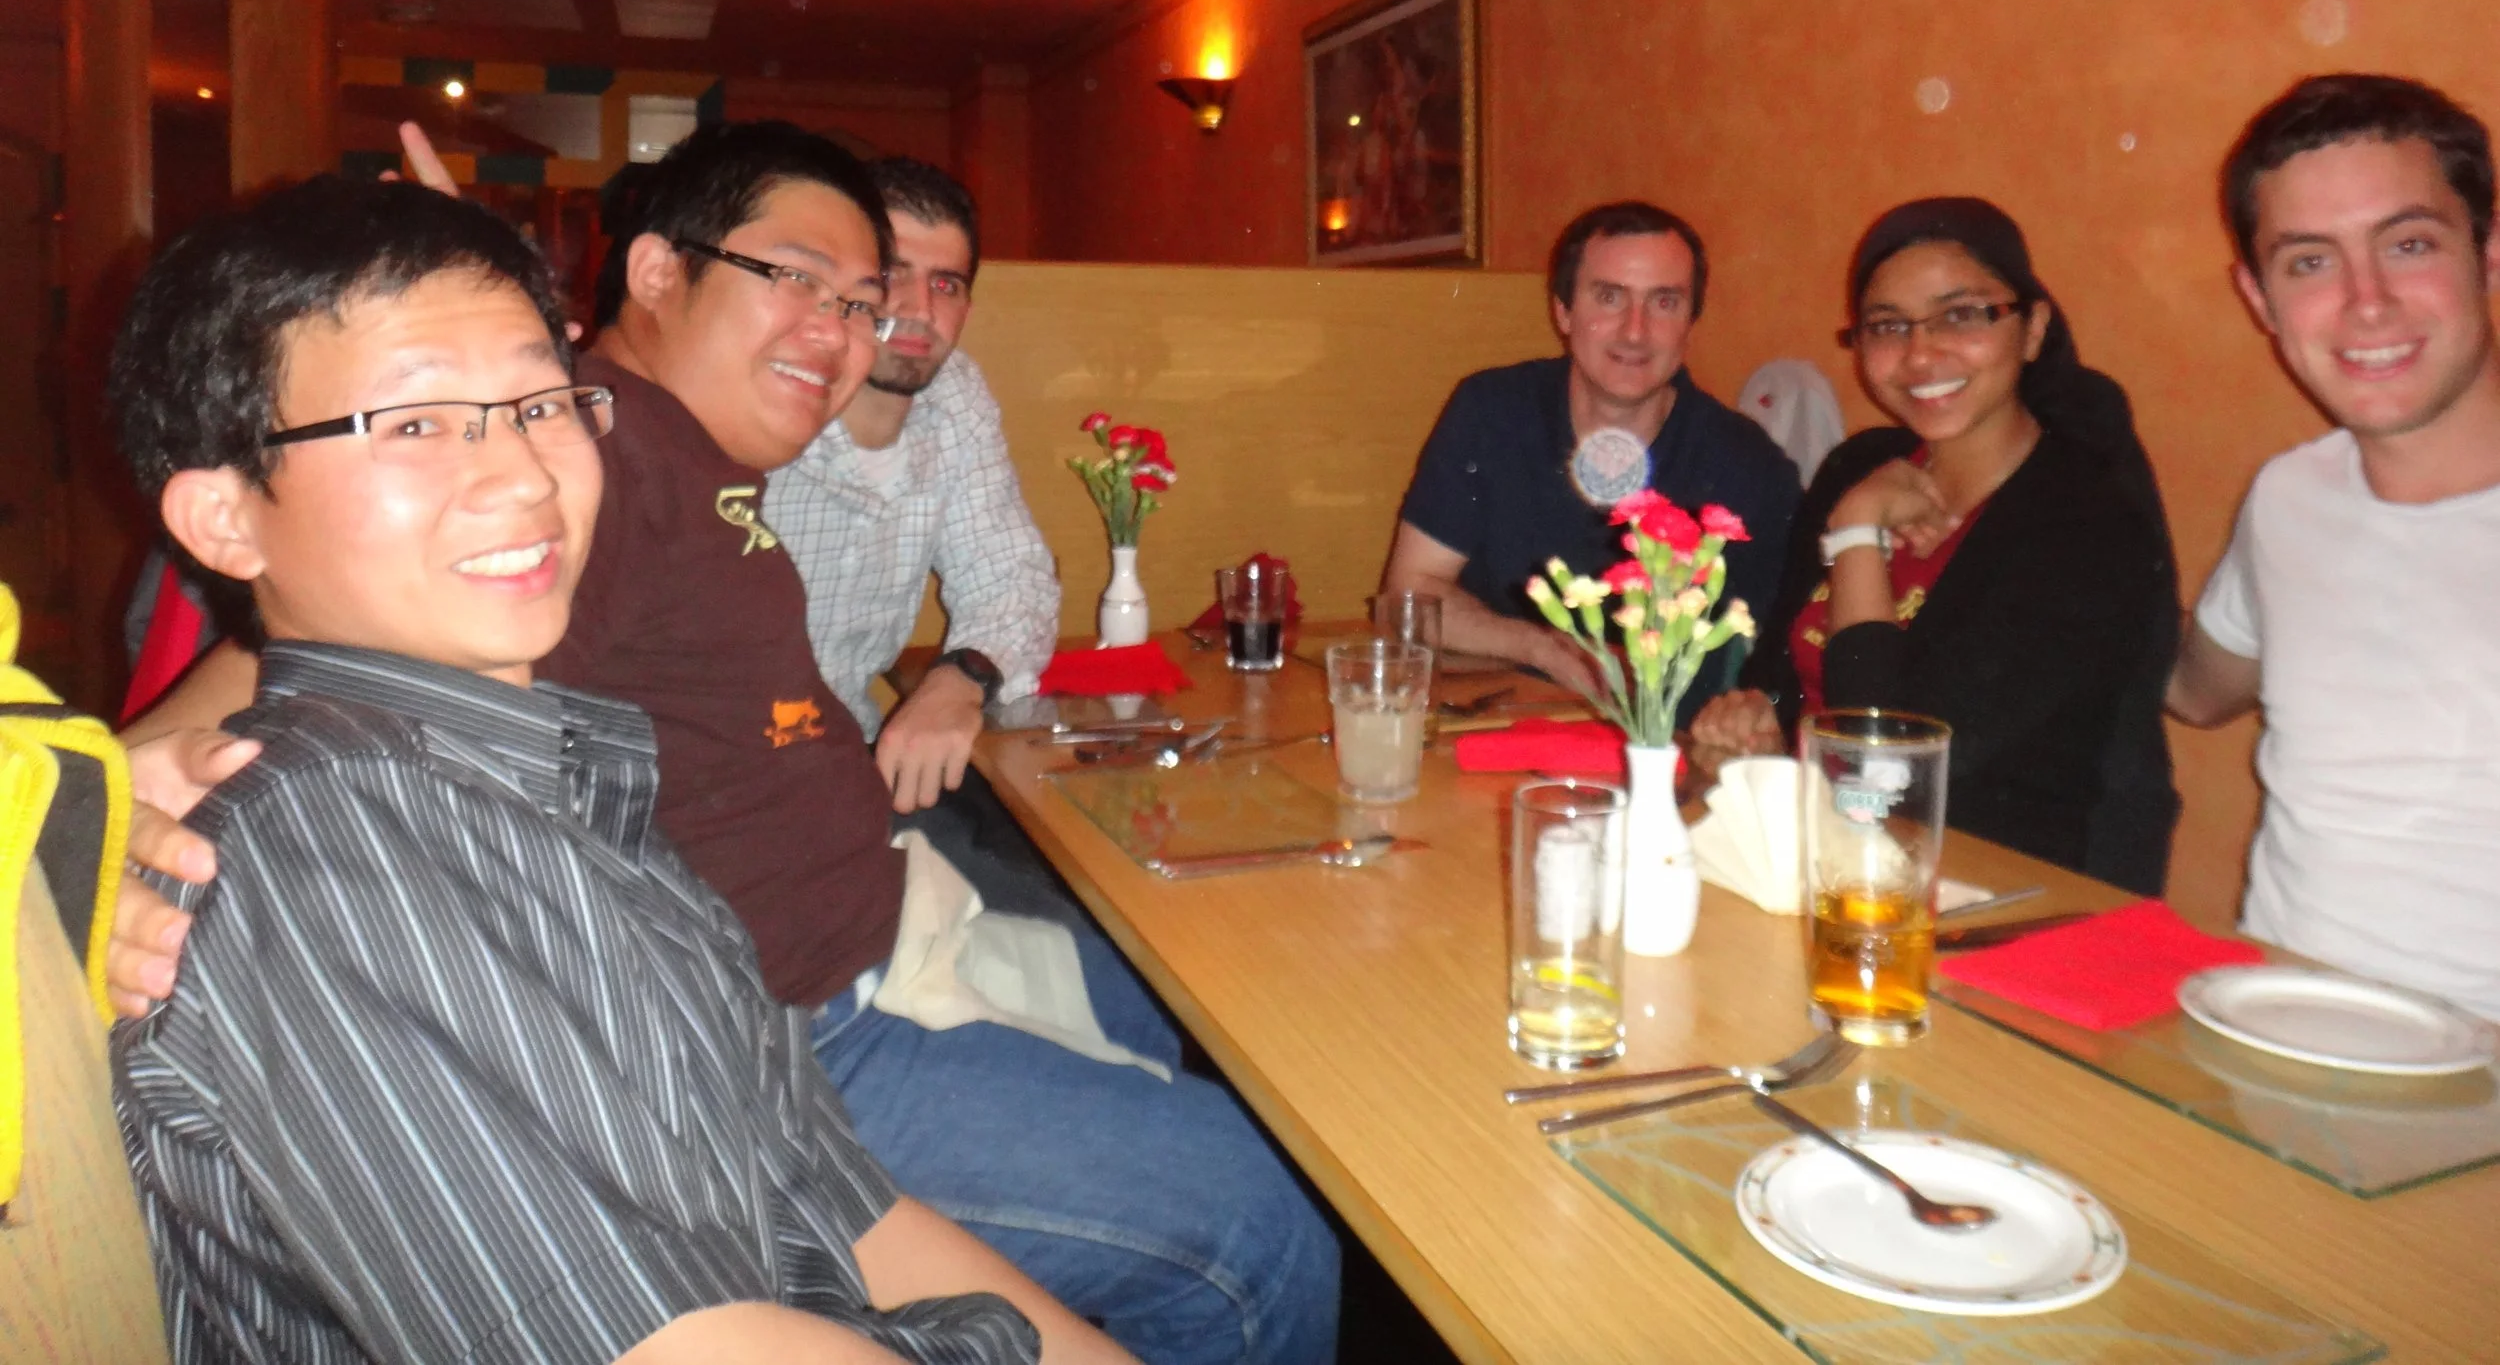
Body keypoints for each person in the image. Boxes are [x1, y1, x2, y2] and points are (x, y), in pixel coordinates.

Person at [111, 125, 1339, 1365]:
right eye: (420, 424)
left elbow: (820, 1192)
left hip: (795, 1017)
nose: (525, 477)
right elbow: (321, 675)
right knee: (1257, 1216)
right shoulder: (359, 848)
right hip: (826, 1022)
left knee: (1177, 1003)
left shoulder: (592, 743)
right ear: (655, 274)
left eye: (536, 404)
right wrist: (97, 803)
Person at [1689, 199, 2181, 892]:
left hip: (2009, 906)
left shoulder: (2085, 521)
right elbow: (1785, 678)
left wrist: (1859, 533)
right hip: (1838, 869)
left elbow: (1883, 767)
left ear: (2033, 327)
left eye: (1961, 314)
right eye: (1889, 325)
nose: (1920, 353)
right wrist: (1746, 727)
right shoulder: (1860, 464)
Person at [2169, 74, 2500, 1019]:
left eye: (2408, 244)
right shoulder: (2288, 497)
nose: (2366, 302)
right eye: (2309, 262)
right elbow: (2194, 687)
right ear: (2259, 299)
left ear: (2488, 253)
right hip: (2273, 1047)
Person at [1381, 201, 1799, 703]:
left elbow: (1764, 667)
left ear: (1691, 321)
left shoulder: (1748, 466)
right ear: (1563, 311)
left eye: (1664, 302)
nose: (1635, 330)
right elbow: (1407, 598)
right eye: (1609, 297)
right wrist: (1545, 649)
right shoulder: (1491, 412)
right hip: (1496, 725)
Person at [766, 158, 1058, 812]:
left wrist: (962, 677)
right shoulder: (763, 405)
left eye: (946, 284)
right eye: (894, 274)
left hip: (854, 764)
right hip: (722, 785)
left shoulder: (955, 397)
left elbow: (1014, 573)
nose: (919, 310)